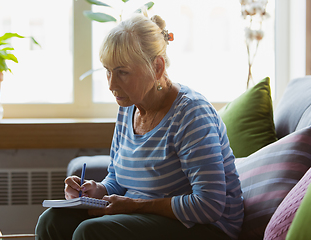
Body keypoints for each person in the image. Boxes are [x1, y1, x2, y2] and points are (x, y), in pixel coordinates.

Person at [35, 11, 244, 240]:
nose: (111, 84)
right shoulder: (128, 106)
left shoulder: (192, 114)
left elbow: (209, 205)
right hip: (143, 217)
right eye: (108, 71)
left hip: (204, 228)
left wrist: (134, 205)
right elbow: (117, 178)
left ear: (157, 68)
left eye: (122, 72)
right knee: (52, 222)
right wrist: (94, 190)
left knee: (92, 232)